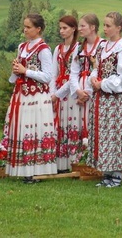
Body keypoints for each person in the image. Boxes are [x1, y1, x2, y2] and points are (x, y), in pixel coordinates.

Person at [87, 12, 122, 188]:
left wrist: (103, 84)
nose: (105, 28)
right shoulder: (102, 47)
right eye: (104, 25)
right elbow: (97, 68)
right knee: (104, 135)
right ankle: (107, 171)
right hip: (101, 99)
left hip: (115, 100)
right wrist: (94, 78)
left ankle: (117, 172)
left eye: (108, 25)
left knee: (115, 134)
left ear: (119, 28)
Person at [3, 13, 57, 183]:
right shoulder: (22, 47)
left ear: (38, 29)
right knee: (23, 129)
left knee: (35, 131)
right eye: (24, 26)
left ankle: (35, 170)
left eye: (28, 27)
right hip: (22, 94)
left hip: (37, 96)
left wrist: (26, 71)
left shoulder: (44, 49)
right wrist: (16, 72)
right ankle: (23, 168)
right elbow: (19, 72)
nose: (25, 30)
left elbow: (48, 76)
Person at [67, 13, 101, 164]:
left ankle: (95, 158)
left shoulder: (102, 46)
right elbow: (73, 71)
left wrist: (87, 91)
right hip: (79, 89)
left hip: (94, 88)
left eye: (82, 26)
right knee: (78, 123)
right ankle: (78, 160)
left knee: (92, 121)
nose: (79, 29)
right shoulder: (79, 47)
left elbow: (100, 70)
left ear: (92, 27)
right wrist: (77, 91)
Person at [50, 15, 81, 173]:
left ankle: (73, 161)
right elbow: (53, 73)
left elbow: (75, 75)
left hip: (71, 91)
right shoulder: (58, 49)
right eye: (60, 28)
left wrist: (59, 93)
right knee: (60, 125)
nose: (62, 31)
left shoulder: (78, 48)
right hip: (58, 92)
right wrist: (52, 93)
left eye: (65, 28)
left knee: (72, 124)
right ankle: (60, 163)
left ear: (74, 29)